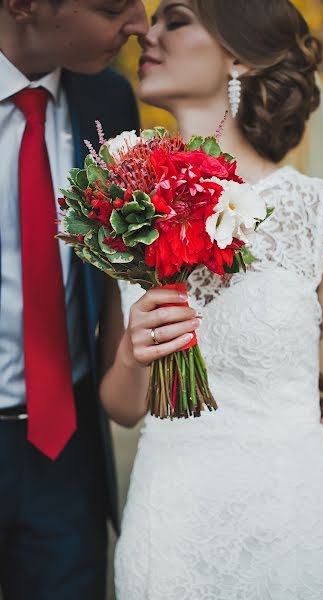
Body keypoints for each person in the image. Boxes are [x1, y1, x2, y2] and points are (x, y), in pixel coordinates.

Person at [100, 1, 323, 598]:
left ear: (238, 56)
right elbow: (123, 407)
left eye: (175, 20)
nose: (146, 35)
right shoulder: (126, 213)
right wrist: (134, 356)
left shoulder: (318, 213)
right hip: (167, 532)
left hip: (291, 523)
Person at [0, 1, 148, 598]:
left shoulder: (110, 102)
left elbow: (121, 272)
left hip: (65, 448)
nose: (139, 24)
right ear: (23, 5)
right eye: (113, 6)